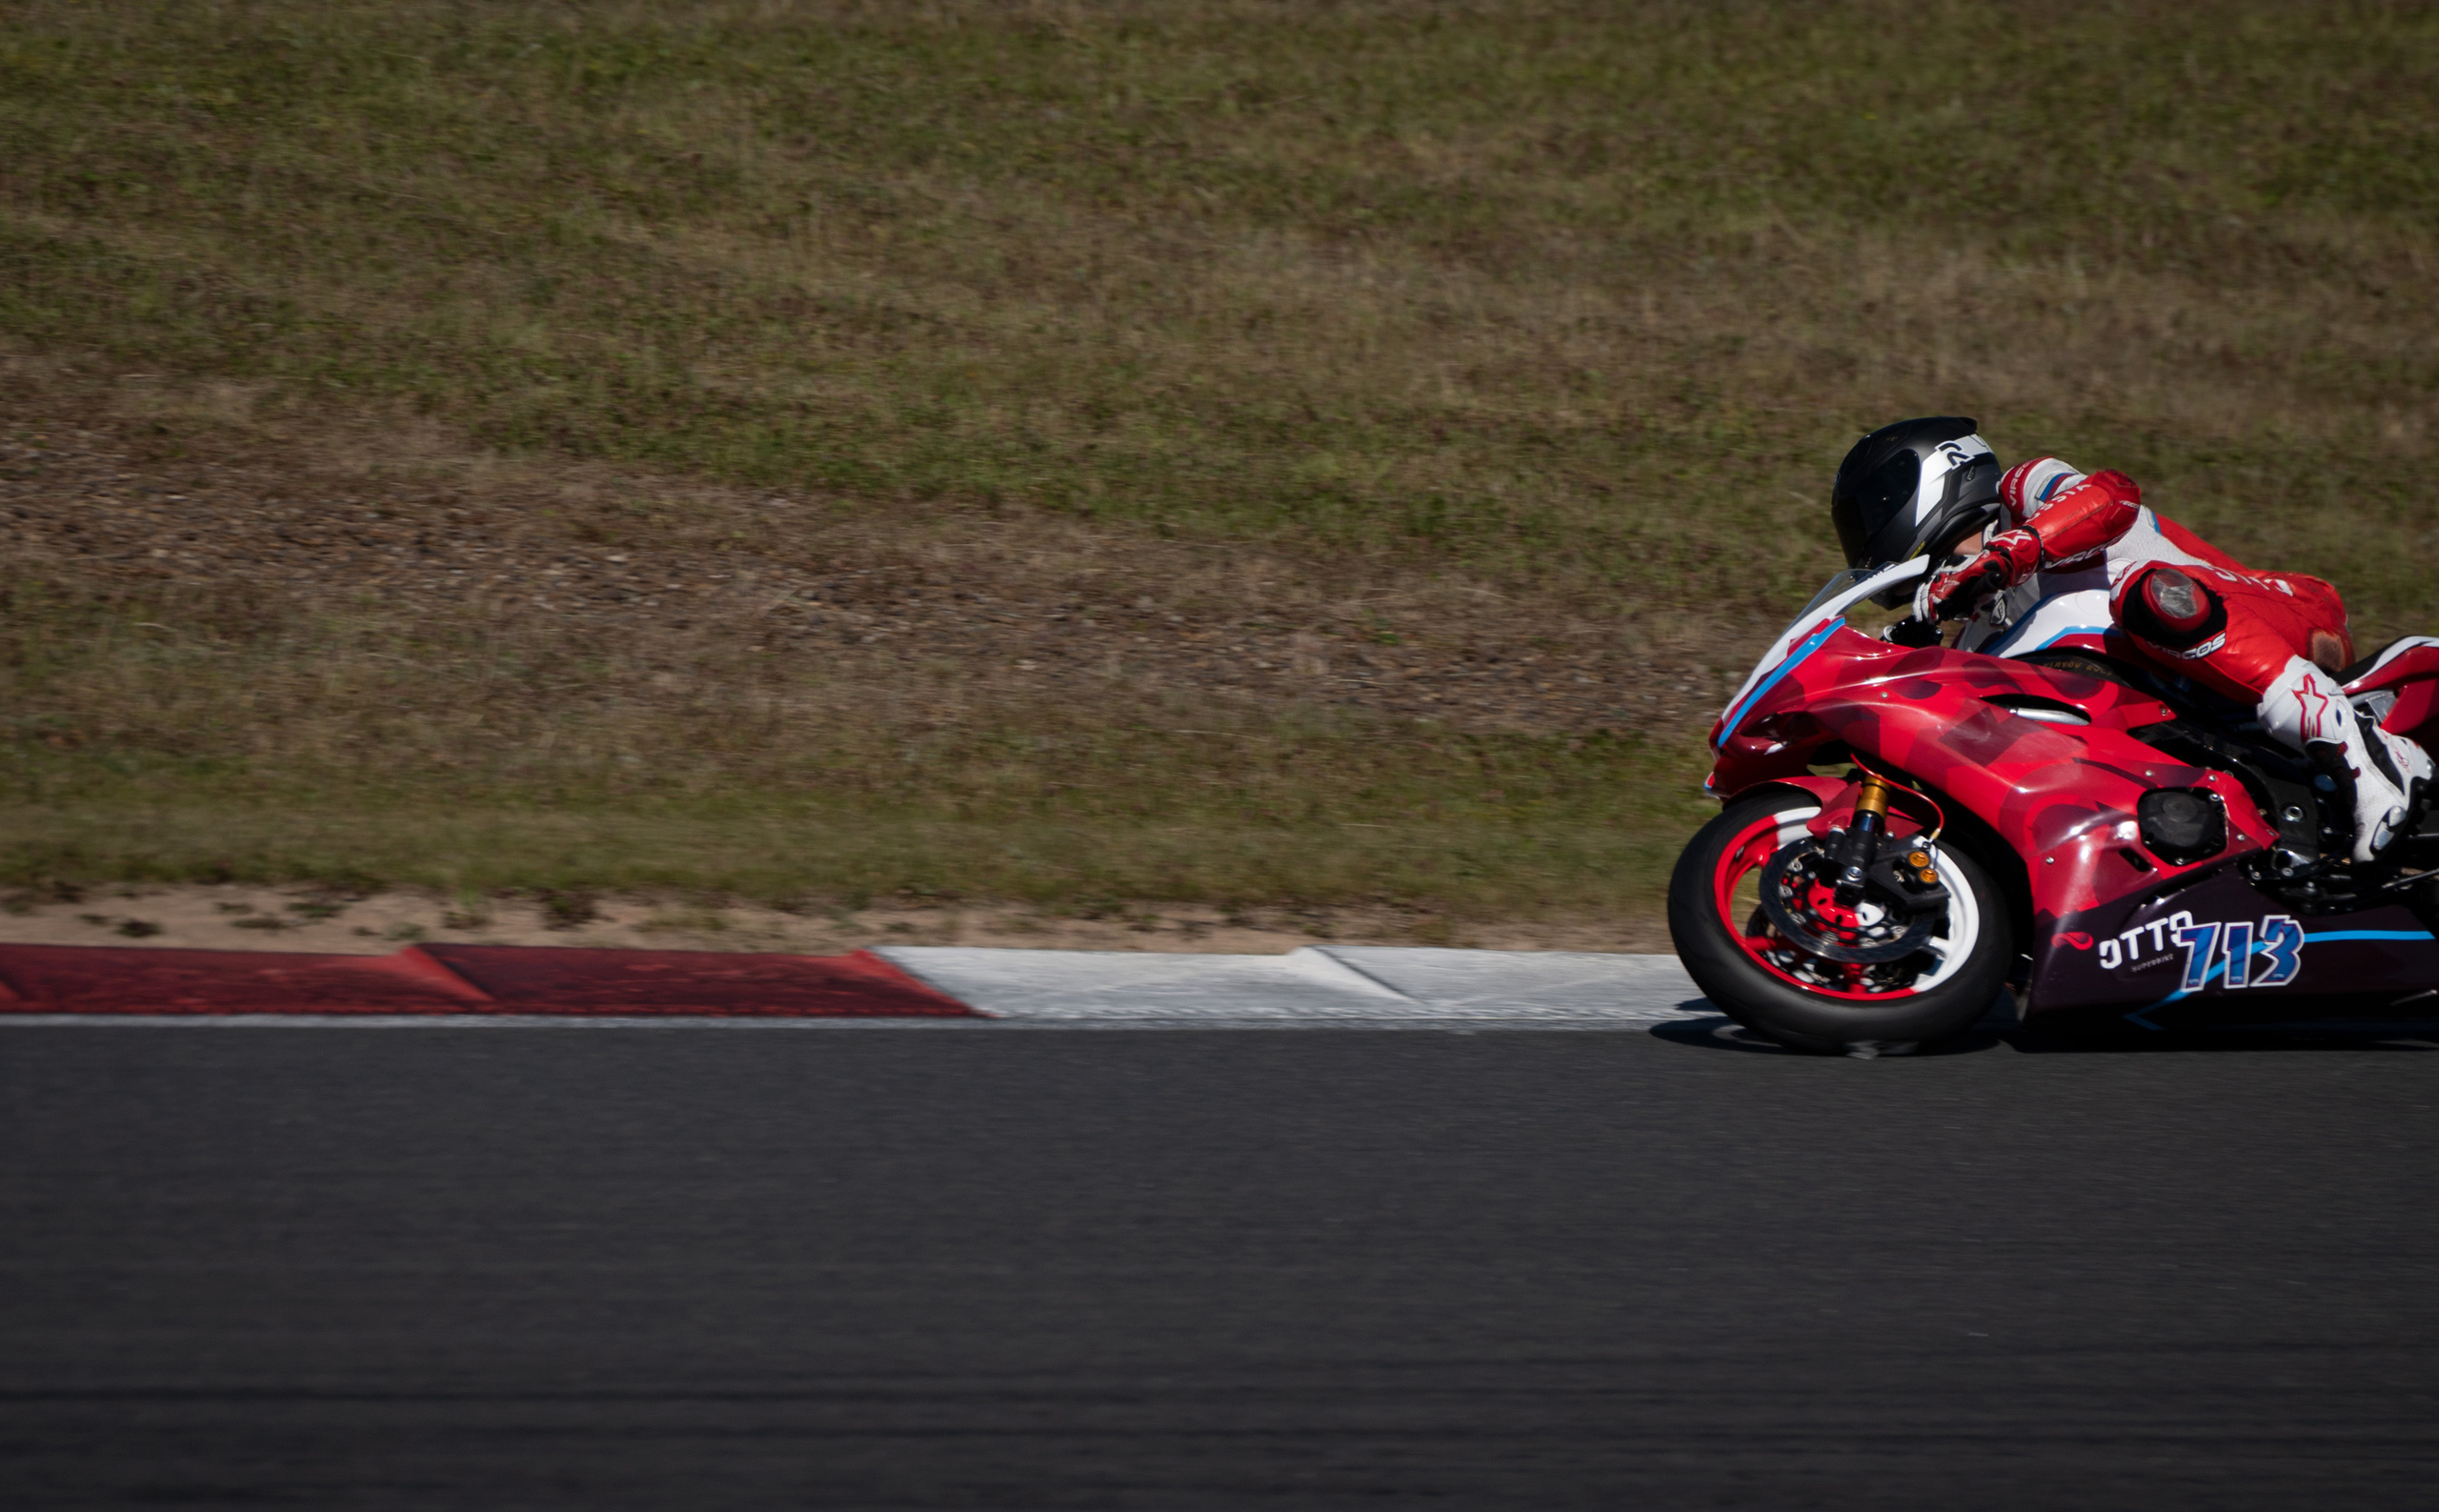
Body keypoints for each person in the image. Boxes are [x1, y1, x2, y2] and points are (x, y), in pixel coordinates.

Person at [1829, 416, 2431, 865]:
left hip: (2278, 613)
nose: (1865, 543)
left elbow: (2113, 496)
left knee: (2147, 594)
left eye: (1866, 516)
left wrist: (2008, 555)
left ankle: (2374, 765)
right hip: (2190, 704)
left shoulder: (2023, 494)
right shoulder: (1977, 635)